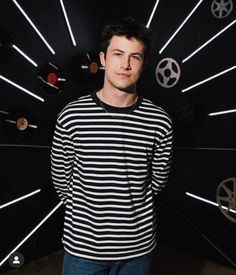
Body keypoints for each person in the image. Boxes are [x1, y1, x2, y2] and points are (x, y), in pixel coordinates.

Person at [51, 16, 173, 275]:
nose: (125, 65)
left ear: (143, 64)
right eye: (118, 54)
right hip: (83, 250)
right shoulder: (72, 115)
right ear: (104, 59)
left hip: (137, 252)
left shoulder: (159, 120)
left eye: (135, 57)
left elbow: (158, 182)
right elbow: (61, 180)